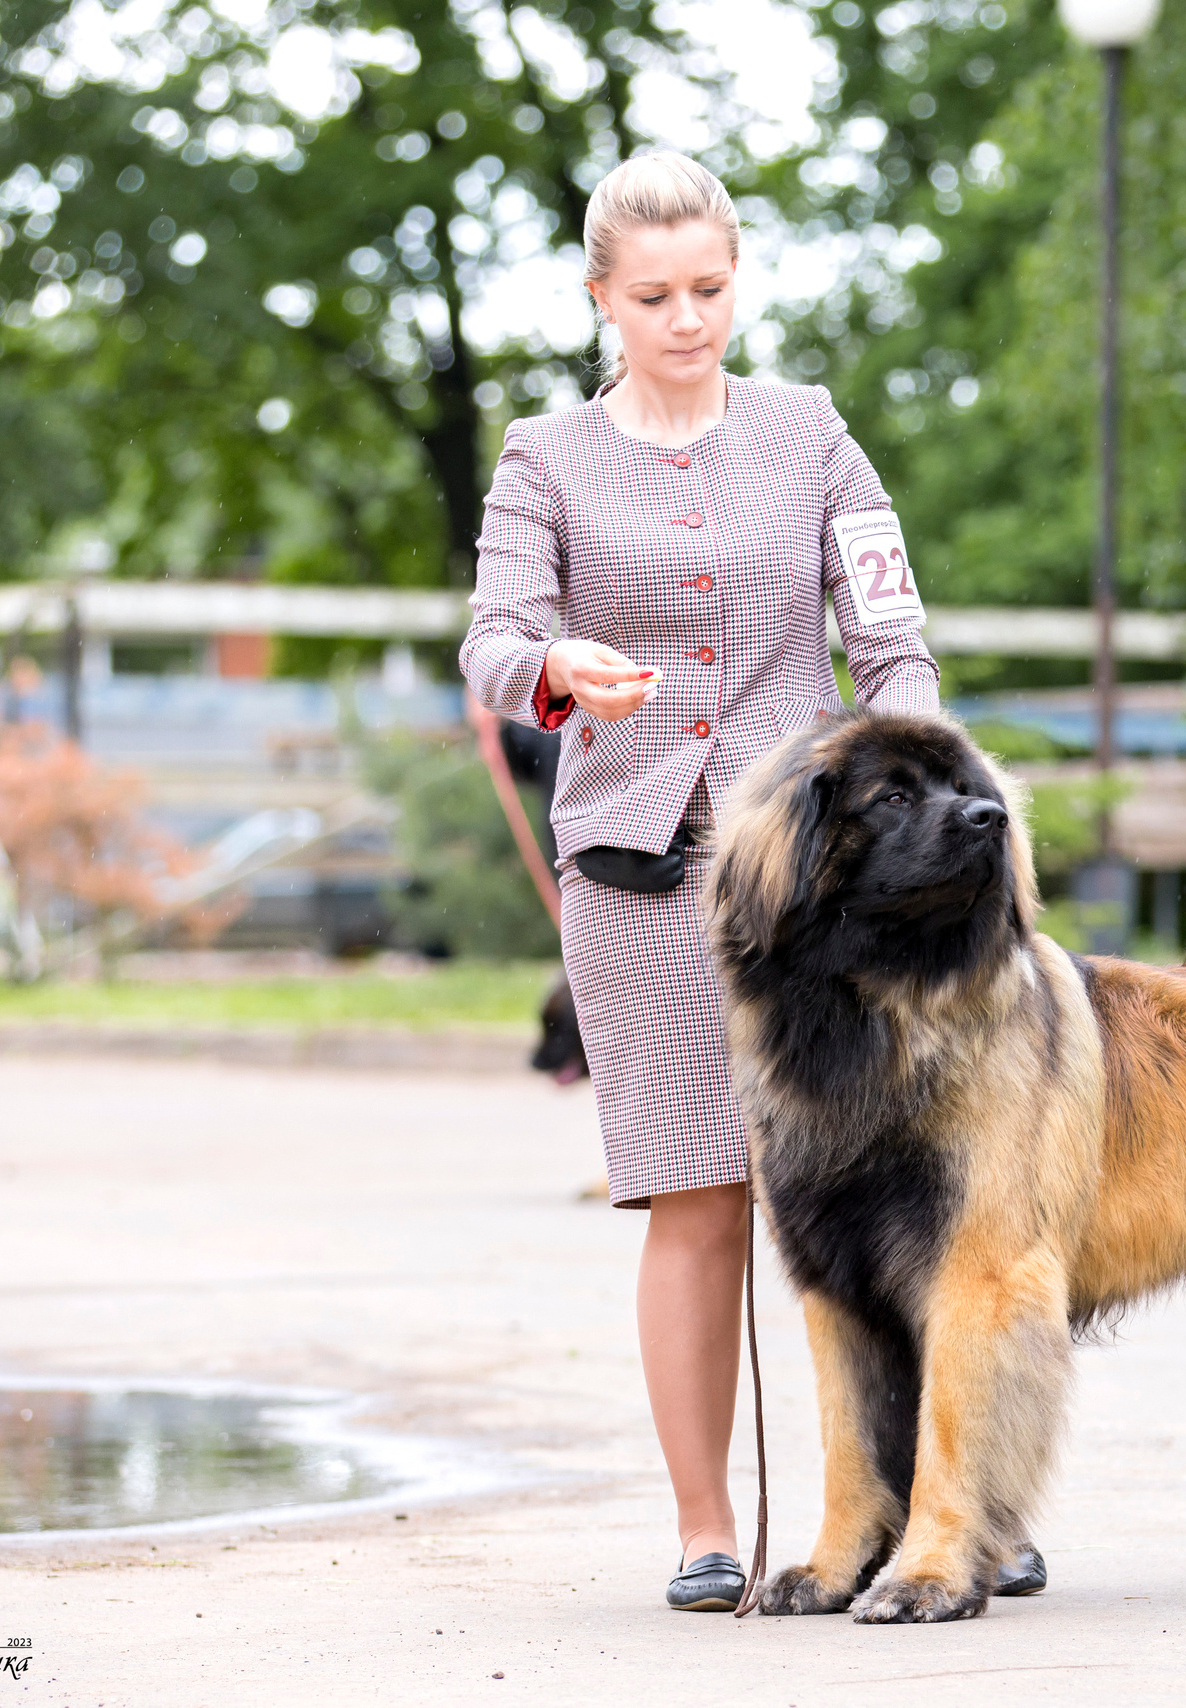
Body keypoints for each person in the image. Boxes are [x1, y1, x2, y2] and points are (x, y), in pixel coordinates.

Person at [459, 151, 1042, 1612]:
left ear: (737, 279)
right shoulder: (545, 456)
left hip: (834, 893)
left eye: (710, 289)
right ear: (601, 298)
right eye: (653, 296)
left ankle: (961, 1507)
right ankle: (705, 1529)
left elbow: (890, 630)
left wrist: (907, 744)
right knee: (699, 1199)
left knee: (907, 1193)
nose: (687, 319)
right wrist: (553, 673)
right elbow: (491, 643)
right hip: (641, 881)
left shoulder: (812, 435)